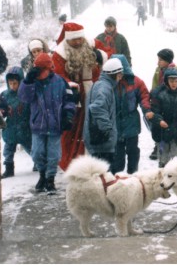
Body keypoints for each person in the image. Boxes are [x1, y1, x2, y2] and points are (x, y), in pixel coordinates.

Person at [52, 22, 108, 171]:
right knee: (72, 130)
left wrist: (101, 56)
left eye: (80, 39)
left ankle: (91, 158)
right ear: (67, 39)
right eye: (74, 40)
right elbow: (58, 75)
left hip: (95, 91)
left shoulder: (91, 44)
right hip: (74, 97)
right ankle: (73, 161)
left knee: (94, 127)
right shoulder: (60, 53)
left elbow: (110, 53)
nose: (78, 42)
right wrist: (71, 85)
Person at [18, 53, 76, 195]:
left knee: (53, 154)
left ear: (49, 69)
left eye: (42, 71)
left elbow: (69, 99)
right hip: (38, 125)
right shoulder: (33, 82)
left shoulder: (60, 82)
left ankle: (50, 178)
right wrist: (27, 82)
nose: (40, 74)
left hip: (55, 125)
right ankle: (42, 175)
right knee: (37, 153)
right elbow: (24, 98)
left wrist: (68, 115)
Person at [110, 54, 153, 174]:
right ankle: (117, 174)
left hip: (131, 122)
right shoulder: (109, 83)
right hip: (115, 123)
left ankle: (132, 172)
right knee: (117, 152)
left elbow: (144, 97)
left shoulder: (136, 82)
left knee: (133, 150)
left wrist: (147, 110)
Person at [149, 48, 177, 160]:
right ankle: (158, 148)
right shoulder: (158, 70)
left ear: (168, 60)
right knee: (161, 127)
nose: (158, 62)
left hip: (175, 100)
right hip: (161, 100)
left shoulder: (176, 69)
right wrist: (156, 93)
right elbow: (154, 84)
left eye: (161, 60)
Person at [83, 58, 124, 168]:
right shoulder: (104, 87)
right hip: (102, 141)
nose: (120, 77)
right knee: (104, 175)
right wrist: (107, 128)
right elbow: (97, 108)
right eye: (119, 74)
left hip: (97, 138)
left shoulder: (100, 84)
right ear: (113, 74)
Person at [0, 66, 33, 178]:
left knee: (32, 149)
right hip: (10, 128)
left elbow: (32, 109)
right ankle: (9, 168)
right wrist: (3, 112)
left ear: (20, 82)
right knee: (8, 151)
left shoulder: (26, 94)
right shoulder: (4, 96)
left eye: (15, 83)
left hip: (25, 128)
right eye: (10, 83)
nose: (13, 86)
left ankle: (39, 164)